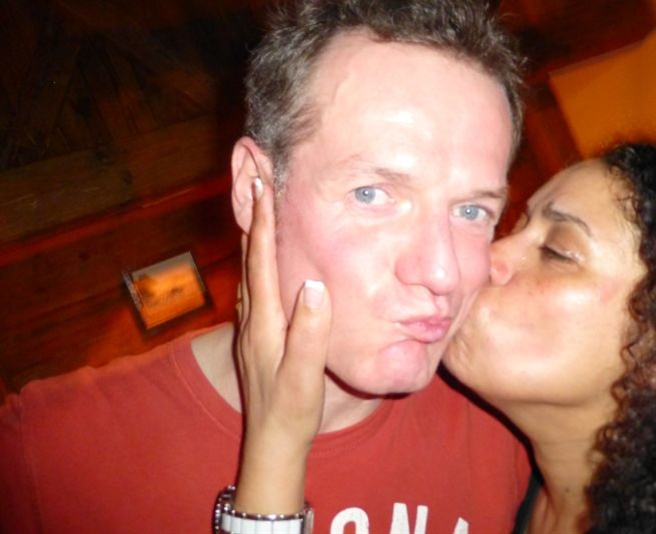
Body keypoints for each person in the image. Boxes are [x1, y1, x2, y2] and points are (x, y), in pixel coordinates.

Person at [0, 1, 533, 532]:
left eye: (471, 211)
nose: (442, 274)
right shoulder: (44, 454)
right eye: (371, 194)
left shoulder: (513, 427)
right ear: (254, 189)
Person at [234, 142, 656, 533]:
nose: (484, 259)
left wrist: (276, 446)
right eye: (513, 225)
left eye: (556, 252)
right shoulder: (511, 481)